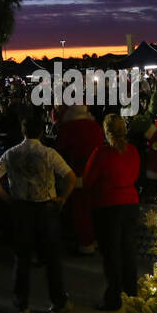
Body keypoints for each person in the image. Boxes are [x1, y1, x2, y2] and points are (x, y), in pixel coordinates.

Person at [0, 113, 76, 313]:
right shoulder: (48, 153)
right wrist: (62, 198)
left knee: (22, 257)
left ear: (23, 131)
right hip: (46, 208)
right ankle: (58, 301)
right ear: (42, 132)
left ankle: (21, 303)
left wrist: (7, 199)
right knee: (52, 258)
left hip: (21, 209)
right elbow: (70, 176)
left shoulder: (11, 153)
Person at [82, 114, 141, 311]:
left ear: (106, 132)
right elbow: (135, 175)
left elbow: (89, 180)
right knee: (128, 251)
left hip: (108, 205)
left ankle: (113, 298)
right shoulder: (132, 151)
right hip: (130, 203)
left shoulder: (101, 153)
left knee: (111, 254)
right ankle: (132, 292)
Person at [55, 103, 104, 254]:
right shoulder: (95, 126)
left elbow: (59, 151)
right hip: (95, 173)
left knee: (80, 211)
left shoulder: (68, 128)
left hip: (75, 173)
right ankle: (97, 240)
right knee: (95, 208)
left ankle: (85, 243)